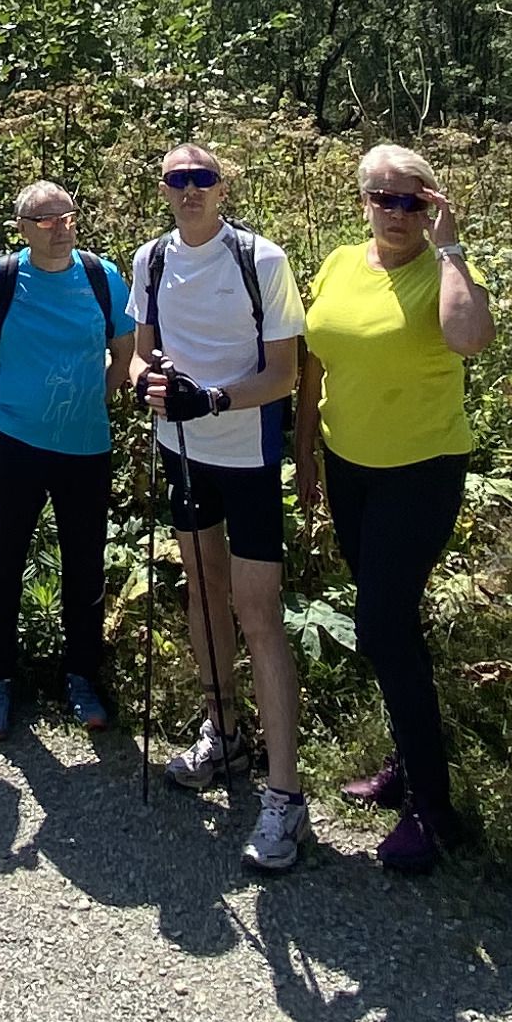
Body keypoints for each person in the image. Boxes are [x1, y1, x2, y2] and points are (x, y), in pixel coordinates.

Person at [294, 143, 495, 872]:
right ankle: (409, 768)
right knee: (389, 626)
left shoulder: (445, 271)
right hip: (350, 468)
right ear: (364, 203)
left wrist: (453, 250)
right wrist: (305, 451)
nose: (398, 212)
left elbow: (471, 339)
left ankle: (433, 811)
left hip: (421, 472)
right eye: (385, 198)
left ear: (434, 204)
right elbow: (314, 357)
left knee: (382, 623)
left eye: (414, 199)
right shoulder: (342, 264)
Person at [132, 144, 310, 874]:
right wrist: (154, 383)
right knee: (201, 592)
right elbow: (140, 356)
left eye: (202, 179)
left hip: (250, 456)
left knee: (256, 612)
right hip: (181, 451)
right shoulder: (149, 260)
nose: (191, 191)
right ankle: (223, 730)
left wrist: (211, 397)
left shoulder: (260, 260)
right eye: (178, 181)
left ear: (222, 185)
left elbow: (285, 372)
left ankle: (285, 797)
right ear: (166, 190)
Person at [0, 180, 135, 746]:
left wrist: (96, 398)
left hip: (86, 446)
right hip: (18, 444)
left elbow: (125, 352)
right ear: (23, 228)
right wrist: (3, 406)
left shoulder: (104, 278)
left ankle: (81, 677)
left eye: (68, 217)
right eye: (46, 220)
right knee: (4, 562)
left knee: (85, 566)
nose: (60, 227)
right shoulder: (0, 279)